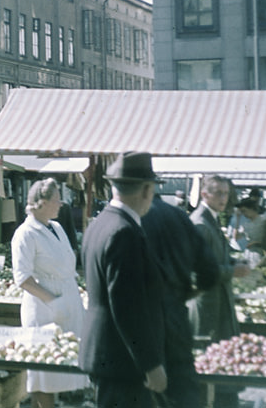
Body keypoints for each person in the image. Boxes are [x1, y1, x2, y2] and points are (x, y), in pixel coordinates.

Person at [79, 152, 166, 408]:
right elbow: (127, 307)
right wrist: (150, 364)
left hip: (107, 354)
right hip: (122, 359)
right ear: (147, 190)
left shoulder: (99, 224)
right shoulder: (124, 232)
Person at [12, 178, 89, 408]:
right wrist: (54, 302)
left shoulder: (56, 227)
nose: (61, 204)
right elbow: (22, 278)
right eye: (56, 200)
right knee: (43, 372)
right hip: (44, 307)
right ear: (41, 203)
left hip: (67, 299)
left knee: (64, 363)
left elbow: (66, 263)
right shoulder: (25, 233)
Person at [142, 187, 219, 408]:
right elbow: (209, 273)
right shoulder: (178, 216)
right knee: (181, 393)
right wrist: (186, 294)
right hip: (175, 315)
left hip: (140, 322)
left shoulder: (128, 217)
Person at [187, 175, 249, 408]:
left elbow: (213, 258)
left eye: (226, 194)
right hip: (207, 307)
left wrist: (233, 262)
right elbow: (196, 271)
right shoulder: (200, 223)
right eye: (219, 193)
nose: (224, 199)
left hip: (218, 303)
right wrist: (232, 271)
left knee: (220, 365)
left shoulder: (211, 220)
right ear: (205, 194)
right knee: (208, 367)